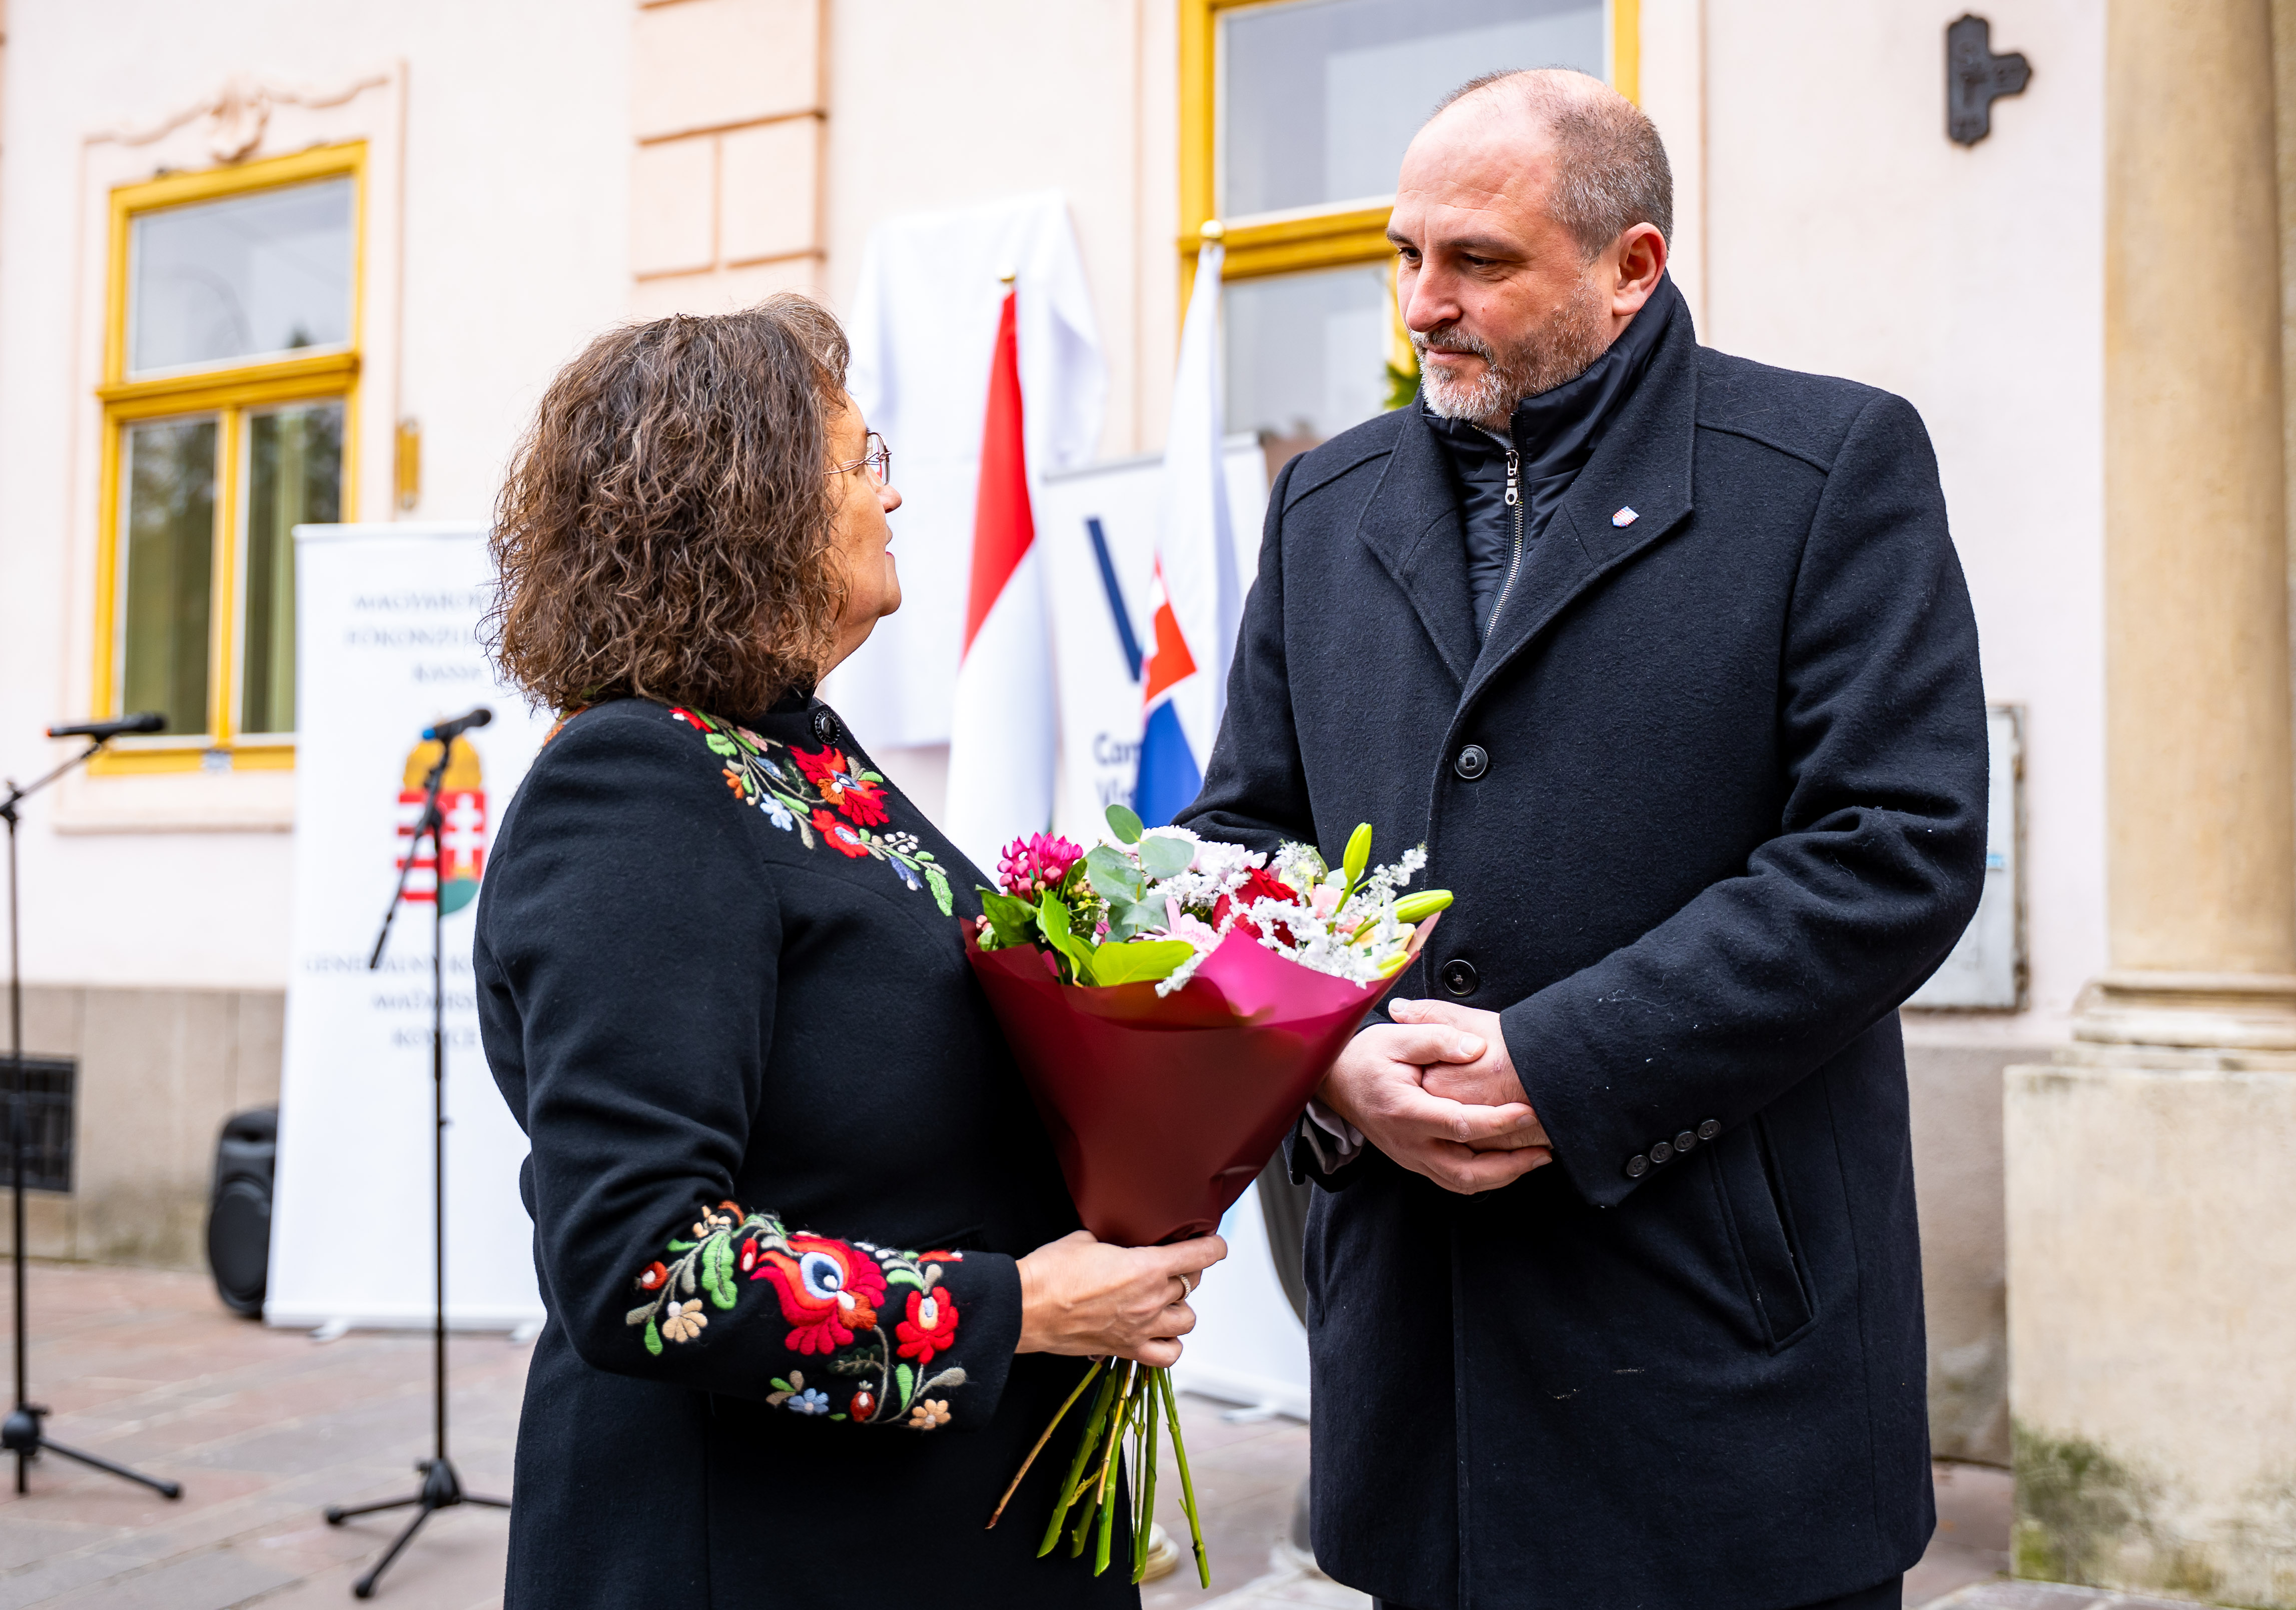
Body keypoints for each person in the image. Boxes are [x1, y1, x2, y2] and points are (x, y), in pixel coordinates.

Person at [1181, 69, 1988, 1610]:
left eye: (1477, 261)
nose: (1425, 301)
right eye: (1405, 253)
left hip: (1718, 1359)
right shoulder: (1324, 504)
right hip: (1418, 1368)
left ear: (1631, 267)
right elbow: (1238, 840)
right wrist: (1330, 1053)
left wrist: (1565, 1063)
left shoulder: (1827, 467)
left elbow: (1894, 846)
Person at [475, 295, 1224, 1607]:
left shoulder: (804, 754)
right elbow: (641, 1266)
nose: (891, 497)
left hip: (924, 1523)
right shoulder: (634, 786)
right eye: (861, 460)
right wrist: (1020, 1312)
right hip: (764, 1546)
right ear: (746, 505)